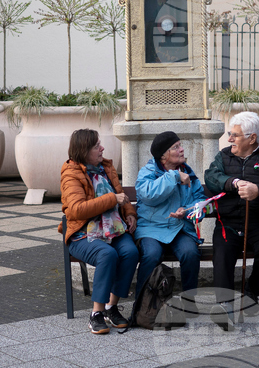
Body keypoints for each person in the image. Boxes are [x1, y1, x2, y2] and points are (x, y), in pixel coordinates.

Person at [204, 111, 259, 318]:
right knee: (223, 253)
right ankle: (224, 304)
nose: (229, 139)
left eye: (235, 135)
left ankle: (251, 290)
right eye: (229, 133)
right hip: (229, 224)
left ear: (252, 138)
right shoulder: (224, 156)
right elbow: (211, 177)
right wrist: (232, 183)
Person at [60, 128, 139, 335]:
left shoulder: (105, 168)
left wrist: (130, 214)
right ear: (84, 150)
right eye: (97, 146)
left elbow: (122, 196)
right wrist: (112, 199)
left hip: (112, 229)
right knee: (107, 254)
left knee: (130, 252)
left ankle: (112, 307)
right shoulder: (71, 174)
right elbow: (77, 210)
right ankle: (96, 313)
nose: (102, 148)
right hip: (82, 234)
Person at [135, 131, 206, 303]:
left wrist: (187, 212)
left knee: (190, 253)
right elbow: (149, 195)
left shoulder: (189, 174)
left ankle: (189, 303)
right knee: (151, 254)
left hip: (180, 227)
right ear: (163, 156)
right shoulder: (147, 172)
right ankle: (141, 304)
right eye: (176, 147)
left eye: (180, 145)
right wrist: (174, 176)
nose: (182, 150)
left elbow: (200, 204)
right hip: (151, 229)